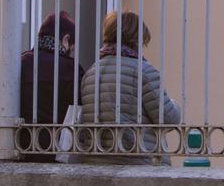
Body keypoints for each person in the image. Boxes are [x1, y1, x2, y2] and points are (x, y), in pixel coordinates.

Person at [78, 11, 181, 165]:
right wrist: (174, 104)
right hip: (138, 162)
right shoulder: (144, 72)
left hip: (97, 163)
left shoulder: (91, 73)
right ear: (136, 39)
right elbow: (167, 119)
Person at [19, 12, 84, 163]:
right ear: (66, 40)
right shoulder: (71, 69)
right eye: (72, 48)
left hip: (23, 148)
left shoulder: (21, 63)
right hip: (57, 152)